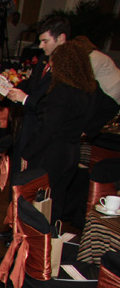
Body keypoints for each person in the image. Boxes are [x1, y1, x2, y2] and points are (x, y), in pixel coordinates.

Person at [21, 42, 97, 223]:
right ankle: (51, 238)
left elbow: (47, 129)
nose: (51, 66)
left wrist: (27, 153)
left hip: (52, 152)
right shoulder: (88, 90)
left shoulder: (61, 91)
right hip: (72, 151)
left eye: (53, 62)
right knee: (56, 200)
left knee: (36, 200)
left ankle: (32, 239)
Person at [6, 16, 69, 166]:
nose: (41, 46)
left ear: (61, 38)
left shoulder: (68, 67)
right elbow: (32, 86)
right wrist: (10, 87)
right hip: (28, 126)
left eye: (45, 41)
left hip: (45, 136)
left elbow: (53, 106)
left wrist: (25, 99)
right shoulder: (43, 60)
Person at [70, 35, 120, 128]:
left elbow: (86, 78)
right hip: (114, 87)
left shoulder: (93, 57)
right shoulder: (98, 55)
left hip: (110, 89)